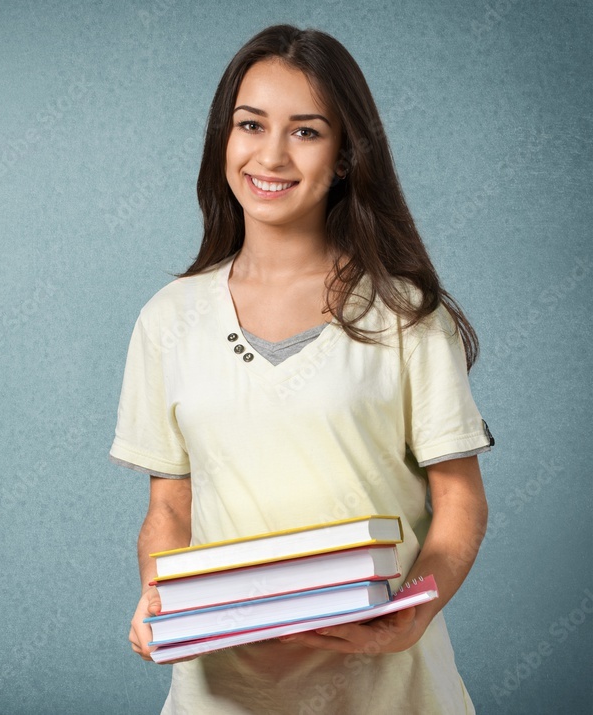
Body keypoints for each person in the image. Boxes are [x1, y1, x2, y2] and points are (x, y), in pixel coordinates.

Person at [107, 24, 495, 714]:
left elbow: (460, 499)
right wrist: (157, 595)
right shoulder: (168, 317)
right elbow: (170, 504)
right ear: (223, 140)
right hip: (224, 690)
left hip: (389, 689)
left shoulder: (408, 313)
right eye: (250, 124)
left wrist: (415, 609)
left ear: (346, 156)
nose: (272, 154)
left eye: (307, 131)